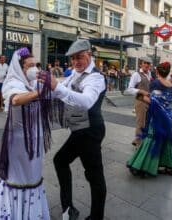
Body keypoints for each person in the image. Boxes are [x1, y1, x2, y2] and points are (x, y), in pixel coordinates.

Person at [0, 48, 50, 219]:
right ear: (21, 68)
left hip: (35, 141)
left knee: (34, 176)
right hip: (19, 144)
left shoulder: (33, 84)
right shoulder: (12, 83)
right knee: (20, 179)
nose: (35, 69)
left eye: (36, 65)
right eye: (30, 66)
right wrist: (39, 93)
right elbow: (15, 100)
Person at [50, 39, 107, 220]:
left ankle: (96, 217)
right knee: (60, 161)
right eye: (73, 59)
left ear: (89, 55)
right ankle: (68, 207)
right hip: (79, 129)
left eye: (80, 57)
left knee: (94, 176)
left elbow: (86, 101)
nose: (76, 62)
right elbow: (61, 89)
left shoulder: (95, 77)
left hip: (90, 131)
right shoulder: (75, 73)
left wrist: (56, 86)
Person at [127, 61, 172, 177]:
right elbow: (166, 101)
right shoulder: (170, 84)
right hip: (168, 116)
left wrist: (140, 96)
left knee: (151, 139)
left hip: (158, 117)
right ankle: (168, 167)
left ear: (157, 72)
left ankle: (144, 167)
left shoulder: (155, 83)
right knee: (167, 139)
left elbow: (153, 101)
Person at [126, 57, 153, 147]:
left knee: (147, 122)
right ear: (141, 64)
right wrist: (141, 91)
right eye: (145, 63)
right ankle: (138, 141)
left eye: (148, 64)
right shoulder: (136, 74)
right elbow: (129, 89)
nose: (146, 65)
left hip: (148, 101)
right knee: (140, 122)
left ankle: (142, 140)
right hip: (140, 101)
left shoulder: (149, 74)